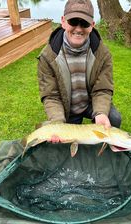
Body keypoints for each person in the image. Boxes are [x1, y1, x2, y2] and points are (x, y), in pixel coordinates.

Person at [37, 0, 121, 140]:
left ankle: (100, 143)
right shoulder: (47, 56)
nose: (78, 28)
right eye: (73, 21)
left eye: (84, 23)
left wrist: (100, 113)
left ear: (92, 25)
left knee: (114, 118)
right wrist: (58, 122)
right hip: (68, 107)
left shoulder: (103, 54)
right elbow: (51, 95)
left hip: (90, 103)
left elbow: (102, 89)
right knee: (66, 144)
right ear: (63, 21)